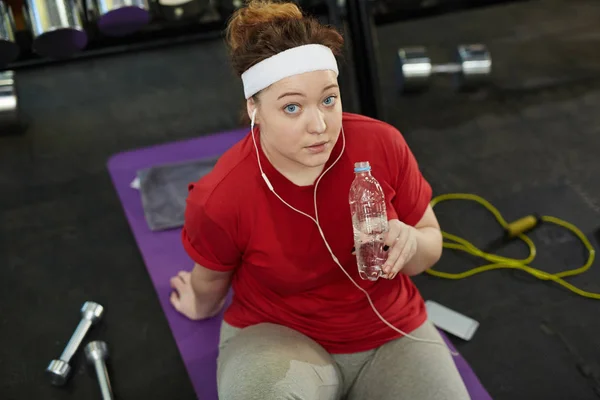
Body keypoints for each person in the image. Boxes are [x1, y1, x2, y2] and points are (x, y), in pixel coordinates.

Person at [169, 1, 471, 399]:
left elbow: (430, 241)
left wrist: (411, 244)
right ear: (254, 108)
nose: (319, 126)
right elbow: (210, 279)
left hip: (389, 330)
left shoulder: (381, 143)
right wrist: (201, 305)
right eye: (292, 107)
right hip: (278, 335)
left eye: (328, 99)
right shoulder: (222, 195)